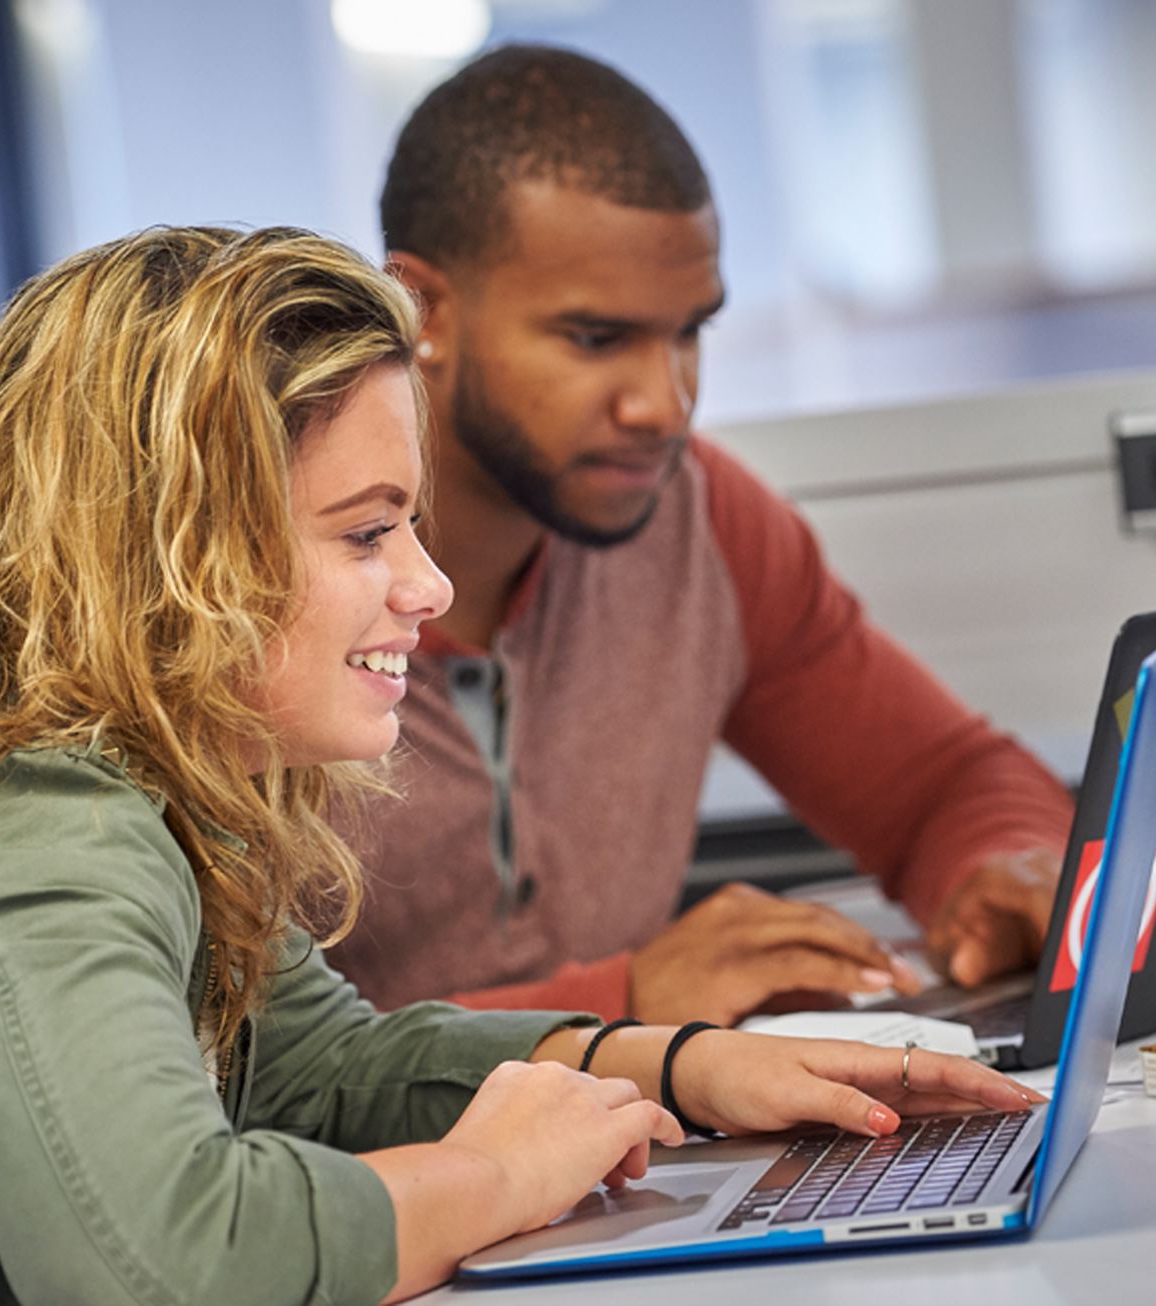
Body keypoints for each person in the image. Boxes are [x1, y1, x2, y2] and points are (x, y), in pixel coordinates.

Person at [0, 226, 1040, 1305]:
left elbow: (321, 1065)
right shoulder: (26, 824)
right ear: (172, 555)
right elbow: (168, 1264)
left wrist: (686, 1069)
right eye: (368, 532)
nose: (427, 586)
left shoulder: (169, 778)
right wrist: (494, 1177)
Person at [324, 44, 1076, 1025]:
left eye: (687, 333)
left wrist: (1001, 868)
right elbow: (227, 1072)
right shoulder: (258, 583)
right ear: (422, 308)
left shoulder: (697, 517)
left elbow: (942, 783)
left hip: (629, 1155)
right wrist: (621, 1002)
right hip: (380, 1178)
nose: (665, 403)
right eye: (597, 338)